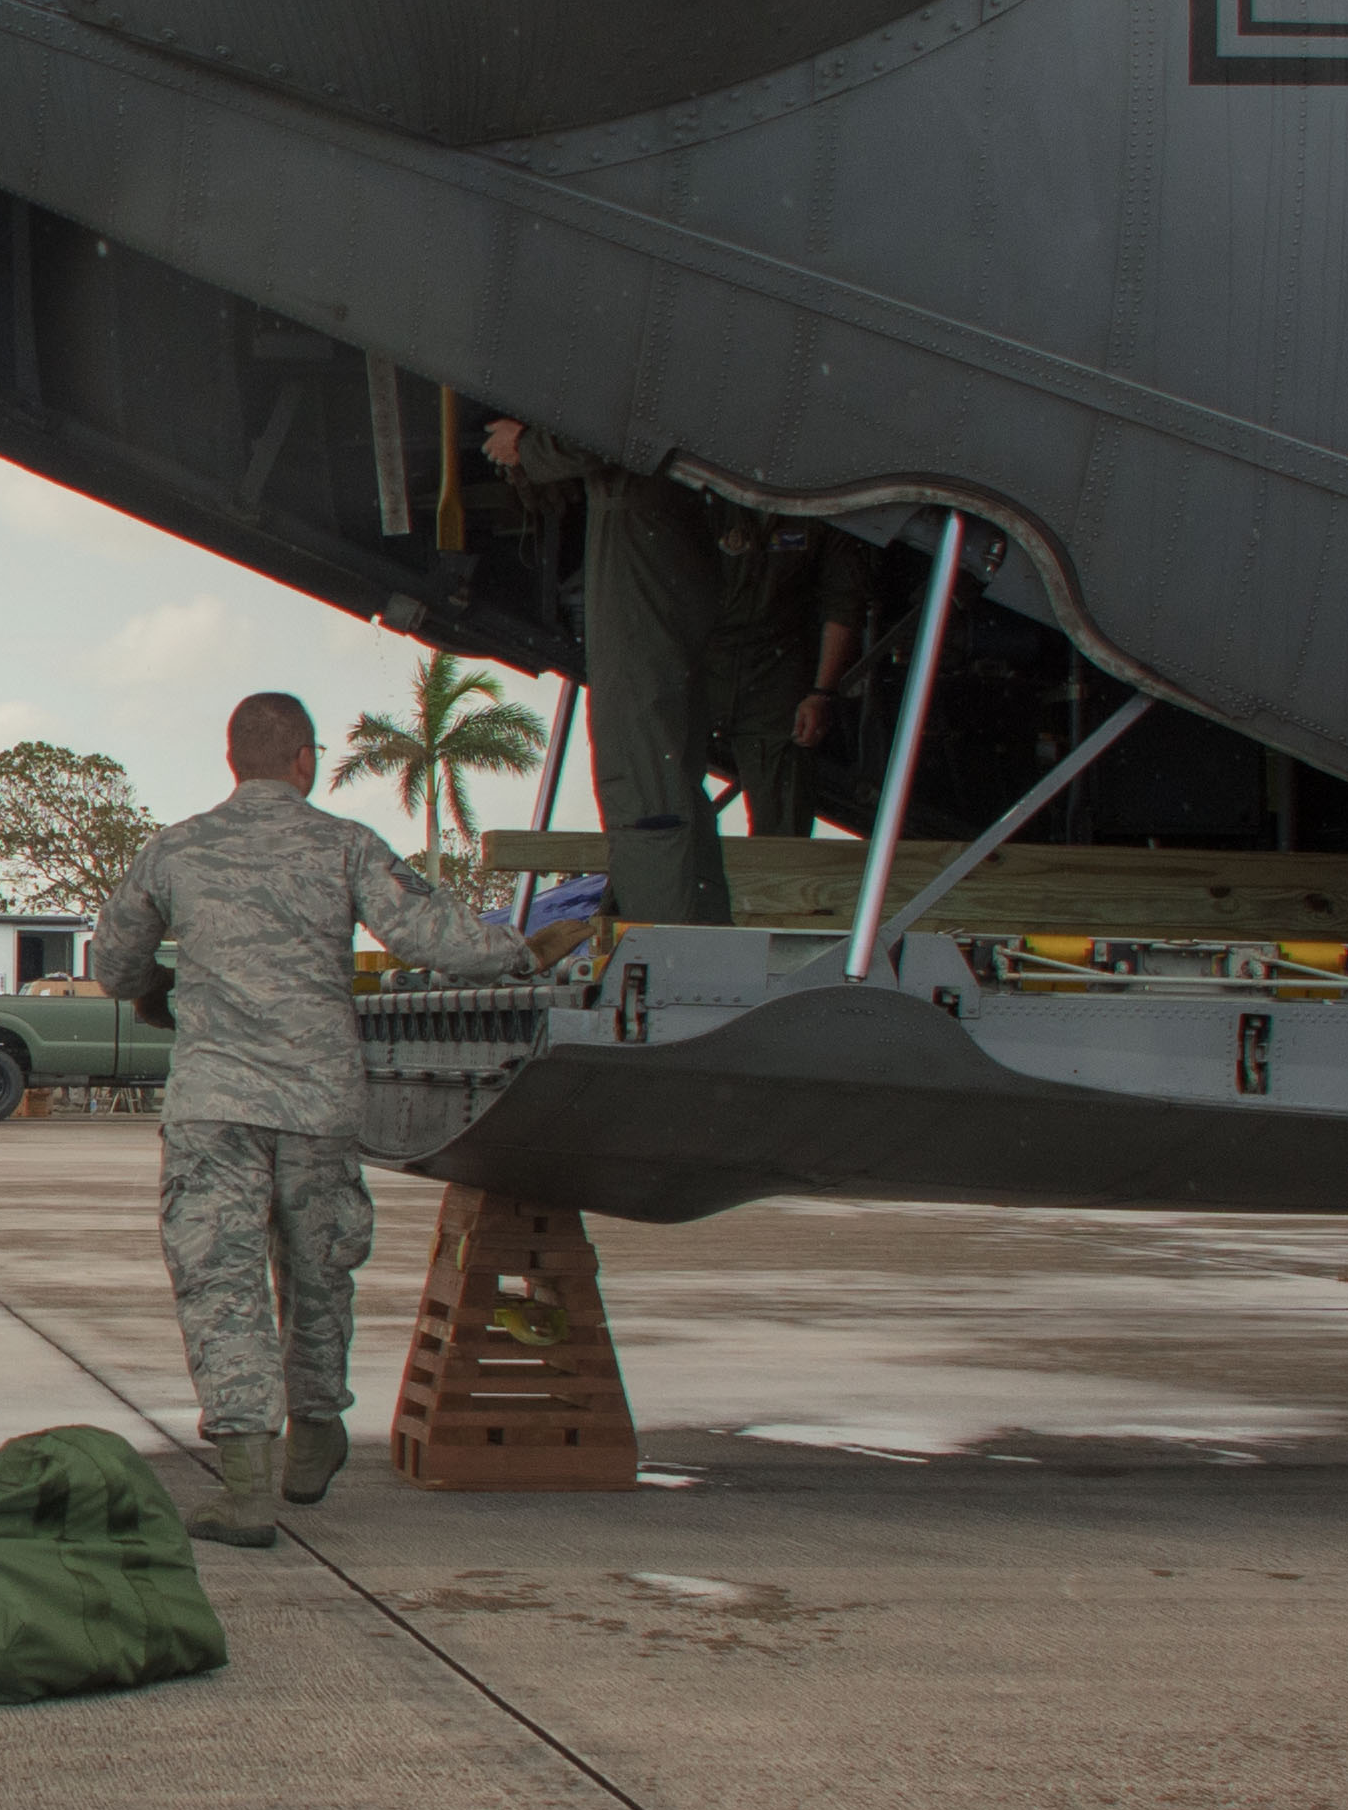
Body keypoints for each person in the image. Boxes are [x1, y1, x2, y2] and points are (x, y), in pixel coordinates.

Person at [92, 690, 536, 1547]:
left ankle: (246, 1485)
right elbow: (432, 935)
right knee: (318, 1269)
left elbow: (113, 965)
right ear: (304, 761)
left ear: (232, 762)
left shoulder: (175, 850)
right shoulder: (344, 845)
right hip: (318, 1101)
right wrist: (524, 950)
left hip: (216, 1105)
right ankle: (317, 1434)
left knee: (221, 1284)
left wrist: (159, 987)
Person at [485, 419, 872, 923]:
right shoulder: (713, 484)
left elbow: (842, 602)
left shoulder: (821, 501)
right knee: (660, 775)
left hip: (773, 668)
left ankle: (776, 924)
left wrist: (820, 691)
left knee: (775, 823)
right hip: (705, 650)